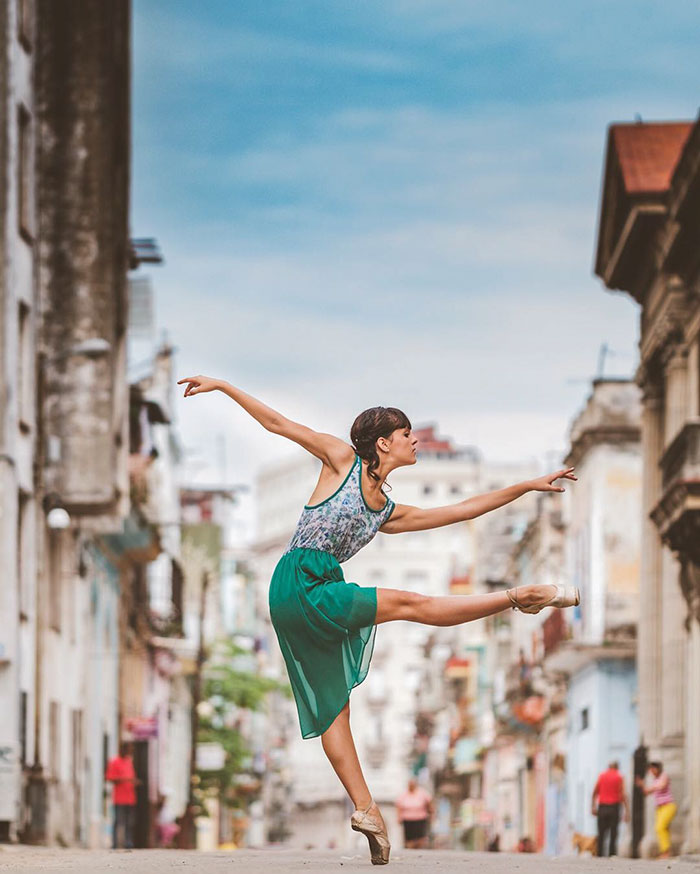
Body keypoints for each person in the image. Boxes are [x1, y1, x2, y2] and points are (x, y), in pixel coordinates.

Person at [177, 375, 580, 865]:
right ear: (384, 442)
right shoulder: (340, 460)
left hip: (299, 592)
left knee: (334, 708)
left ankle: (367, 809)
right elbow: (277, 423)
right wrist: (222, 386)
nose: (414, 441)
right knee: (413, 605)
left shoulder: (387, 510)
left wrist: (526, 486)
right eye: (407, 434)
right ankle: (521, 596)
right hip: (305, 582)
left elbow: (460, 511)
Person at [636, 761, 676, 859]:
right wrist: (642, 785)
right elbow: (647, 792)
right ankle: (666, 852)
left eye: (652, 769)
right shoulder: (655, 780)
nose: (651, 771)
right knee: (663, 829)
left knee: (660, 827)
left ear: (657, 768)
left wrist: (650, 788)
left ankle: (665, 852)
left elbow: (662, 785)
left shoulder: (664, 775)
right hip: (660, 808)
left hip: (668, 806)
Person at [591, 760, 629, 857]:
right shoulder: (619, 777)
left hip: (602, 807)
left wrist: (593, 807)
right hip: (614, 807)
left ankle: (600, 854)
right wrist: (627, 811)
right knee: (613, 833)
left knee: (601, 833)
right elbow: (622, 794)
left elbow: (595, 792)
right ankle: (612, 854)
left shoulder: (602, 776)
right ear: (617, 767)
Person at [105, 741, 137, 849]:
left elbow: (132, 777)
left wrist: (134, 781)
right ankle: (115, 843)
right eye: (128, 749)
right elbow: (110, 778)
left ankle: (128, 843)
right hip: (119, 798)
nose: (129, 752)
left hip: (130, 797)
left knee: (129, 822)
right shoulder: (114, 762)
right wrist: (125, 779)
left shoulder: (129, 762)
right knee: (118, 821)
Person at [396, 778, 433, 849]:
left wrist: (431, 813)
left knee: (420, 836)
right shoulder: (404, 794)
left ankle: (418, 848)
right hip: (407, 819)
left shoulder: (422, 793)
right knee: (409, 837)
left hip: (420, 818)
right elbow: (399, 806)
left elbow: (429, 803)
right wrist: (399, 817)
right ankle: (410, 849)